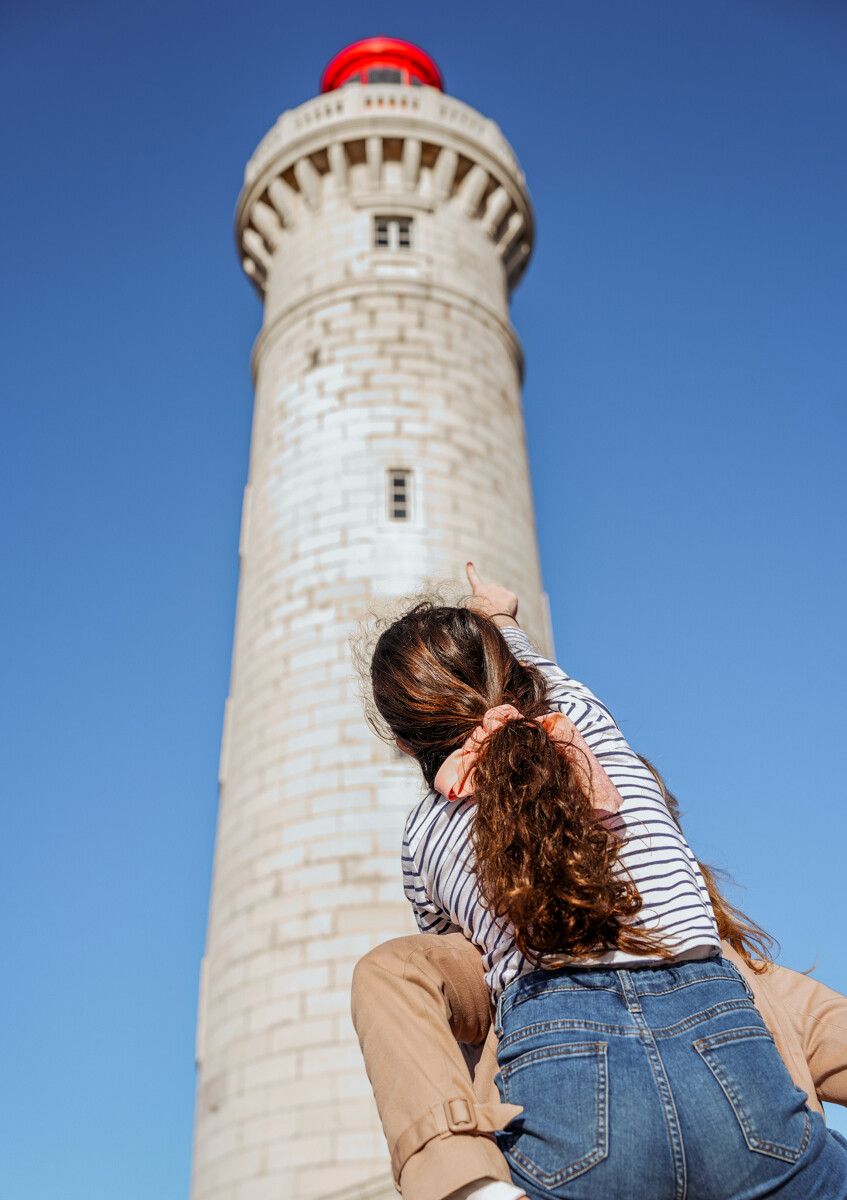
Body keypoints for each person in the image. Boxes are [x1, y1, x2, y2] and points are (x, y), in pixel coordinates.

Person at [362, 566, 847, 1199]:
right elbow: (544, 672)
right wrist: (503, 615)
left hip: (562, 1068)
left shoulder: (422, 837)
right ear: (519, 677)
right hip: (723, 1036)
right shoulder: (586, 723)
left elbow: (463, 965)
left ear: (404, 743)